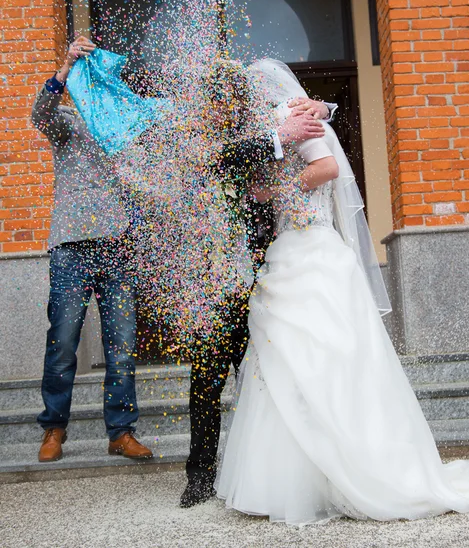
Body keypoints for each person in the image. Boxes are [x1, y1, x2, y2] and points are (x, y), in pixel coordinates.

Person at [215, 60, 469, 525]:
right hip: (287, 248)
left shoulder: (292, 114)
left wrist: (281, 192)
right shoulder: (274, 125)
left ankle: (348, 467)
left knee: (325, 356)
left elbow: (328, 165)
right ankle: (294, 479)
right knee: (285, 361)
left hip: (311, 246)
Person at [180, 60, 337, 507]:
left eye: (230, 97)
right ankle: (200, 474)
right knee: (206, 376)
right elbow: (214, 165)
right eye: (217, 99)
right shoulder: (204, 137)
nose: (222, 106)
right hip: (218, 277)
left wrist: (325, 107)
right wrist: (277, 138)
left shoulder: (266, 119)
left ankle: (276, 472)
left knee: (270, 374)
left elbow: (319, 133)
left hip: (273, 269)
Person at [31, 37, 153, 462]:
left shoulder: (123, 126)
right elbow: (38, 114)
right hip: (70, 247)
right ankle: (54, 429)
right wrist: (65, 65)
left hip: (117, 244)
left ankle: (120, 431)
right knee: (63, 341)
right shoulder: (65, 119)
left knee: (122, 343)